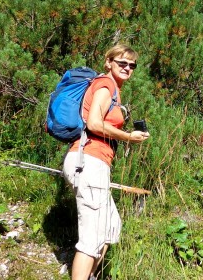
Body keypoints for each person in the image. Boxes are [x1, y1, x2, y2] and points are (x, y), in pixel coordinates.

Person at [62, 44, 150, 280]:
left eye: (132, 65)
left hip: (95, 163)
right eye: (122, 63)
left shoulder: (113, 89)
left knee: (110, 227)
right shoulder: (105, 85)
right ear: (109, 62)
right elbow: (94, 123)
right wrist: (128, 137)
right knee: (91, 237)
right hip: (88, 161)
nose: (127, 68)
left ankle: (89, 276)